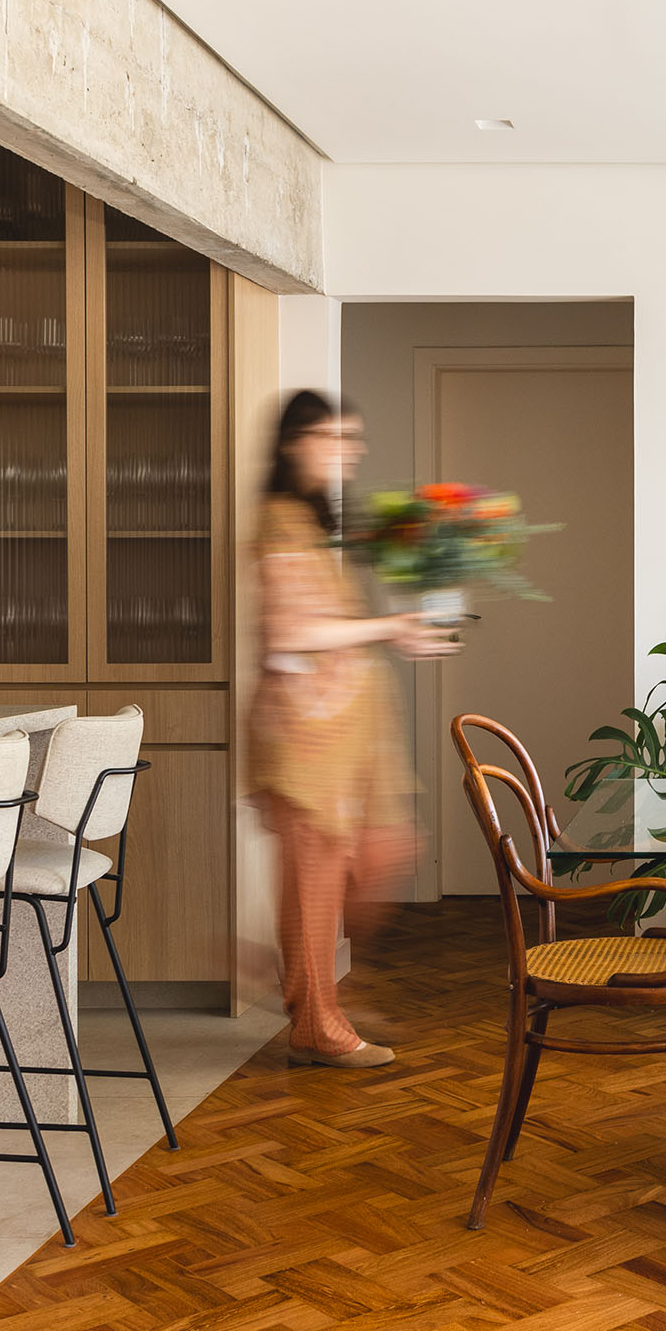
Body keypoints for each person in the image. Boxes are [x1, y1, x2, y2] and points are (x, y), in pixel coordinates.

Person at [249, 390, 455, 1068]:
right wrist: (391, 628)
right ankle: (315, 1020)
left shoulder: (306, 522)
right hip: (305, 739)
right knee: (316, 882)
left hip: (329, 738)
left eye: (353, 436)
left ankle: (308, 1000)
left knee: (352, 869)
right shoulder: (280, 522)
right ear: (294, 441)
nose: (352, 449)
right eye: (337, 435)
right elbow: (292, 631)